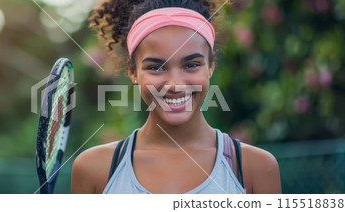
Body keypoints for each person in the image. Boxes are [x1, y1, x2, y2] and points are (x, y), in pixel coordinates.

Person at [71, 0, 281, 194]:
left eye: (191, 65)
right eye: (156, 67)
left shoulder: (255, 169)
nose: (175, 84)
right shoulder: (94, 170)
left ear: (211, 66)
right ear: (133, 72)